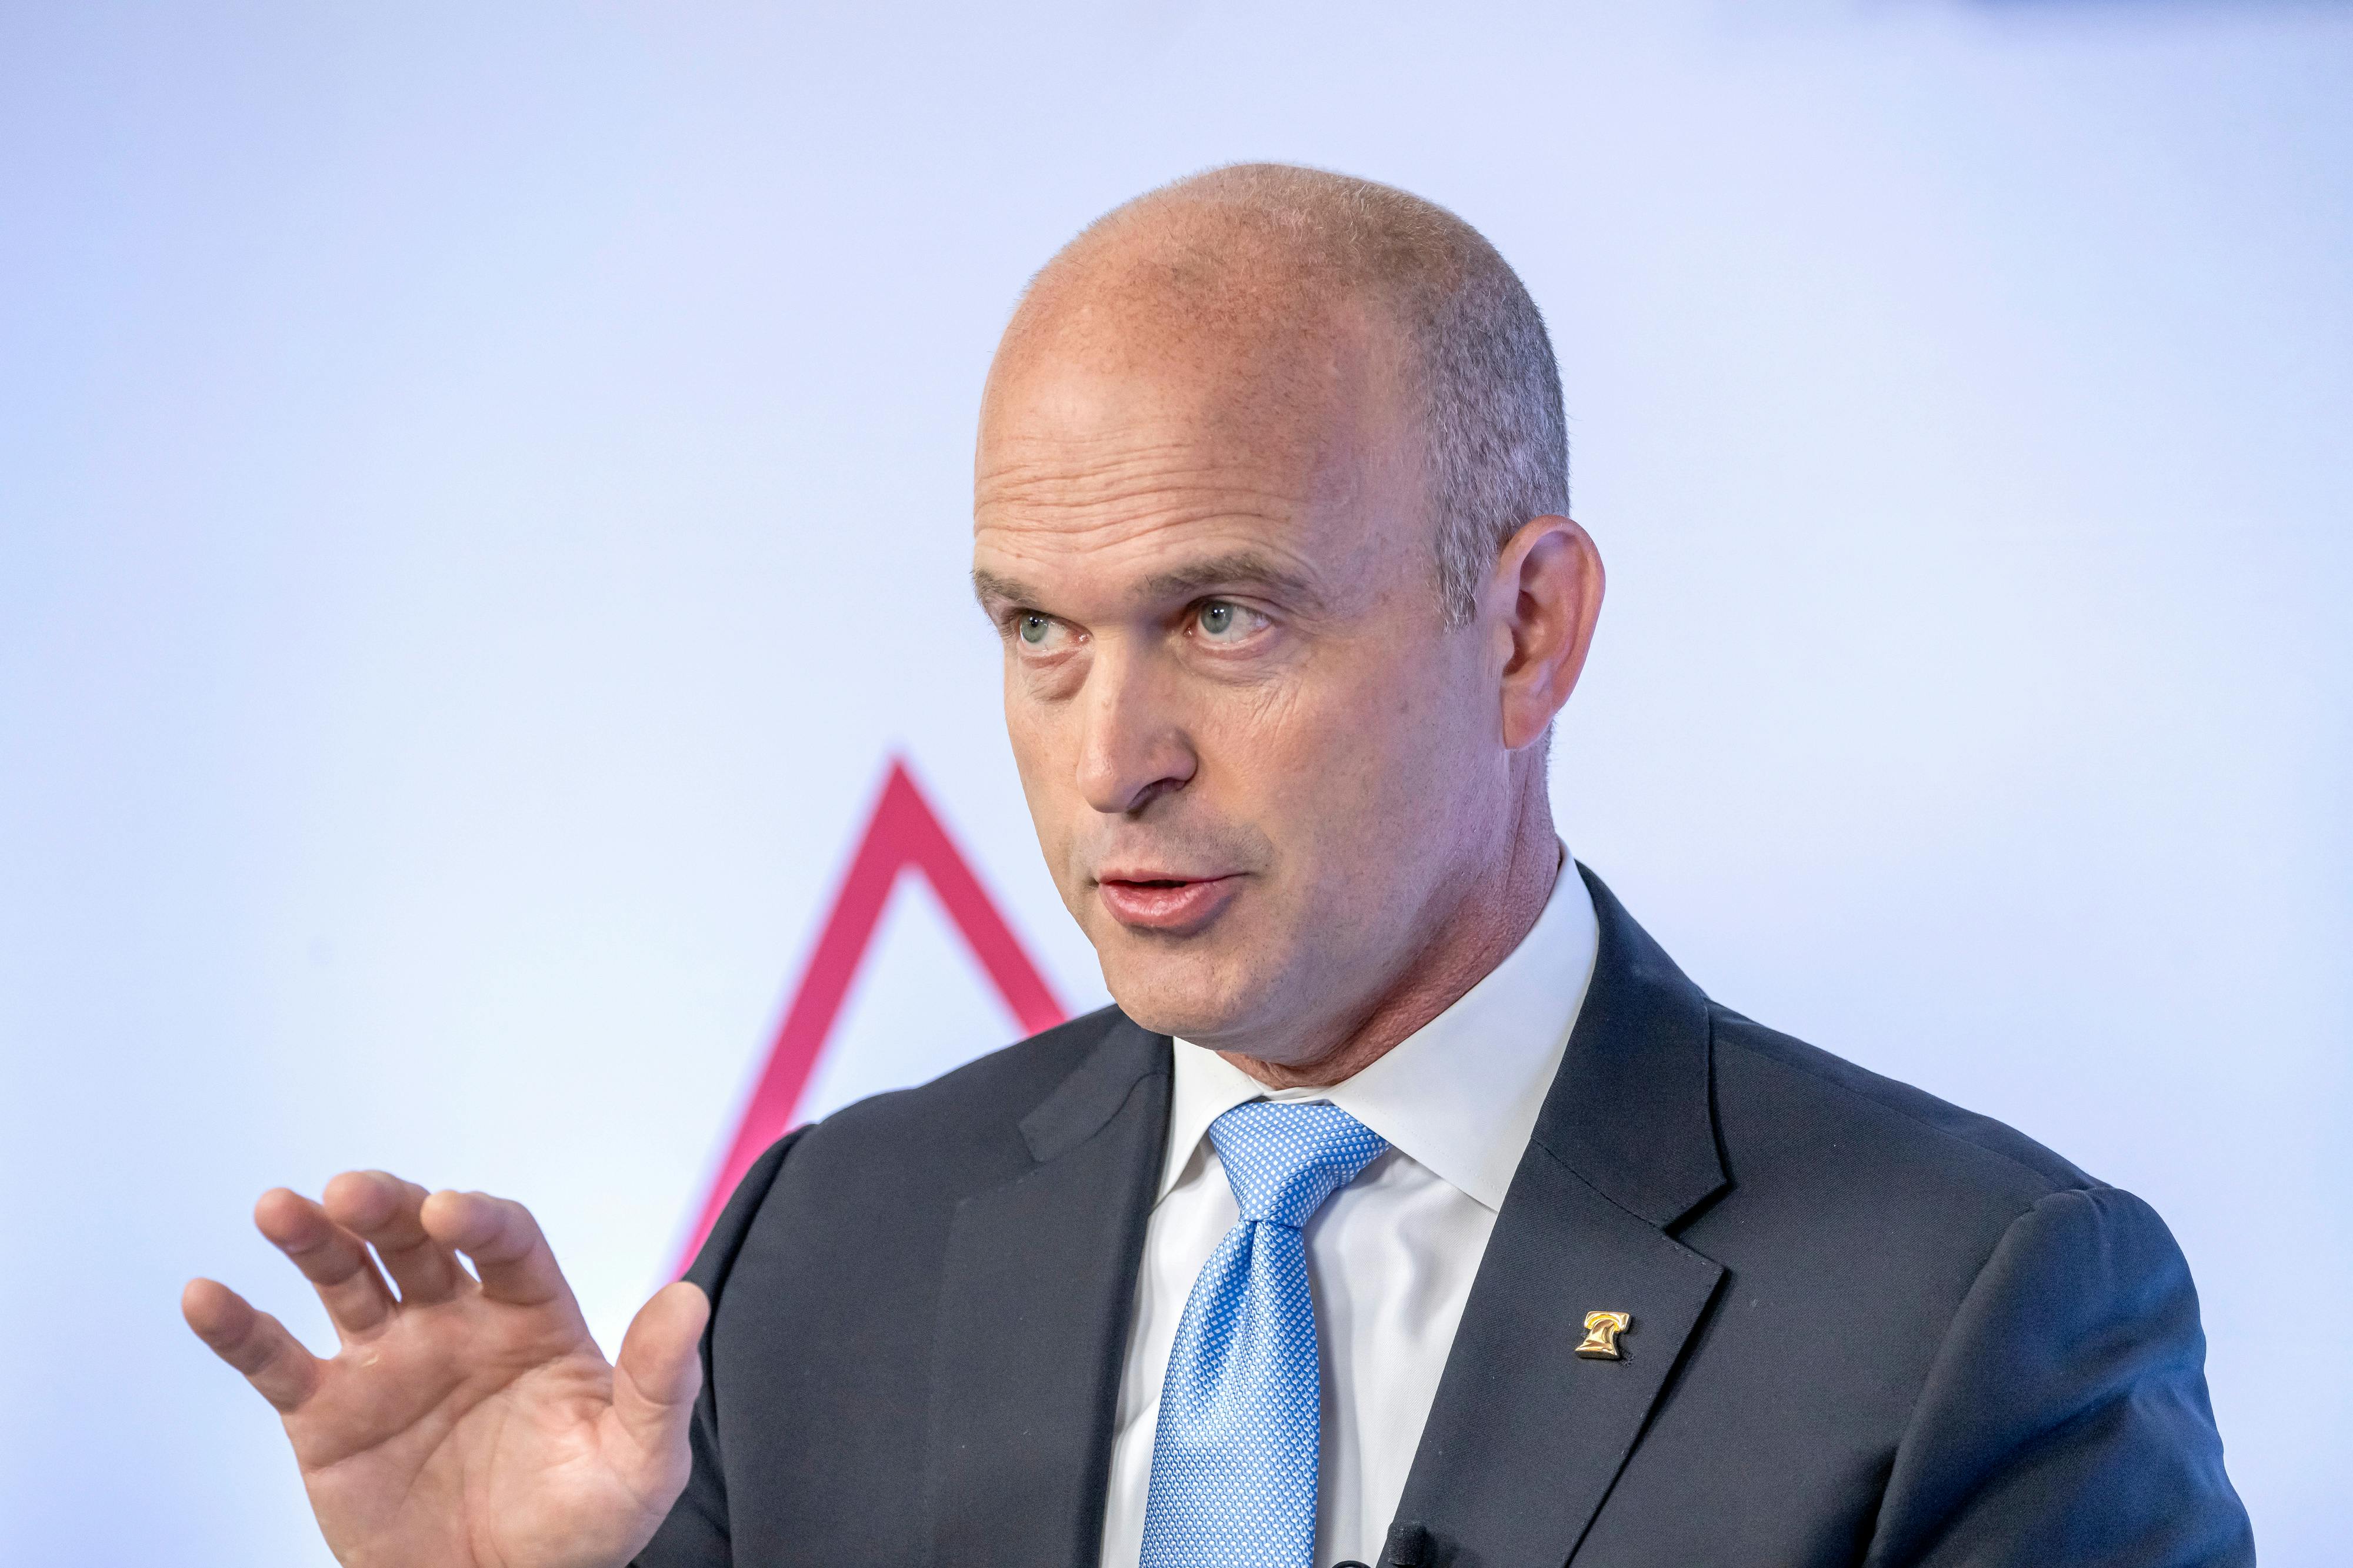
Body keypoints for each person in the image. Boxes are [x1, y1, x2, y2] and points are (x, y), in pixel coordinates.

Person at [183, 164, 2253, 1568]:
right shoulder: (828, 1243)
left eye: (1227, 619)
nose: (1115, 759)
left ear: (1527, 627)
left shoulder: (1975, 1311)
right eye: (1038, 632)